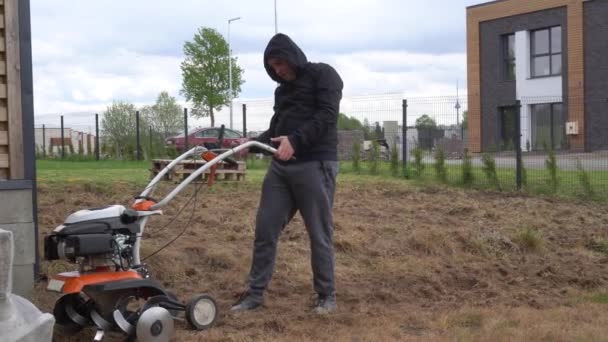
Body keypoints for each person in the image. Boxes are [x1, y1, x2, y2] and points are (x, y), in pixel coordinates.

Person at [231, 33, 343, 314]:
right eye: (273, 66)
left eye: (280, 63)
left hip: (315, 164)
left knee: (319, 233)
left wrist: (296, 140)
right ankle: (255, 294)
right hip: (281, 169)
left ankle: (326, 296)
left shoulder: (323, 75)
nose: (278, 70)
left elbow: (327, 115)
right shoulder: (282, 91)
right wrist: (253, 144)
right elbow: (276, 130)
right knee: (265, 229)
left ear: (292, 56)